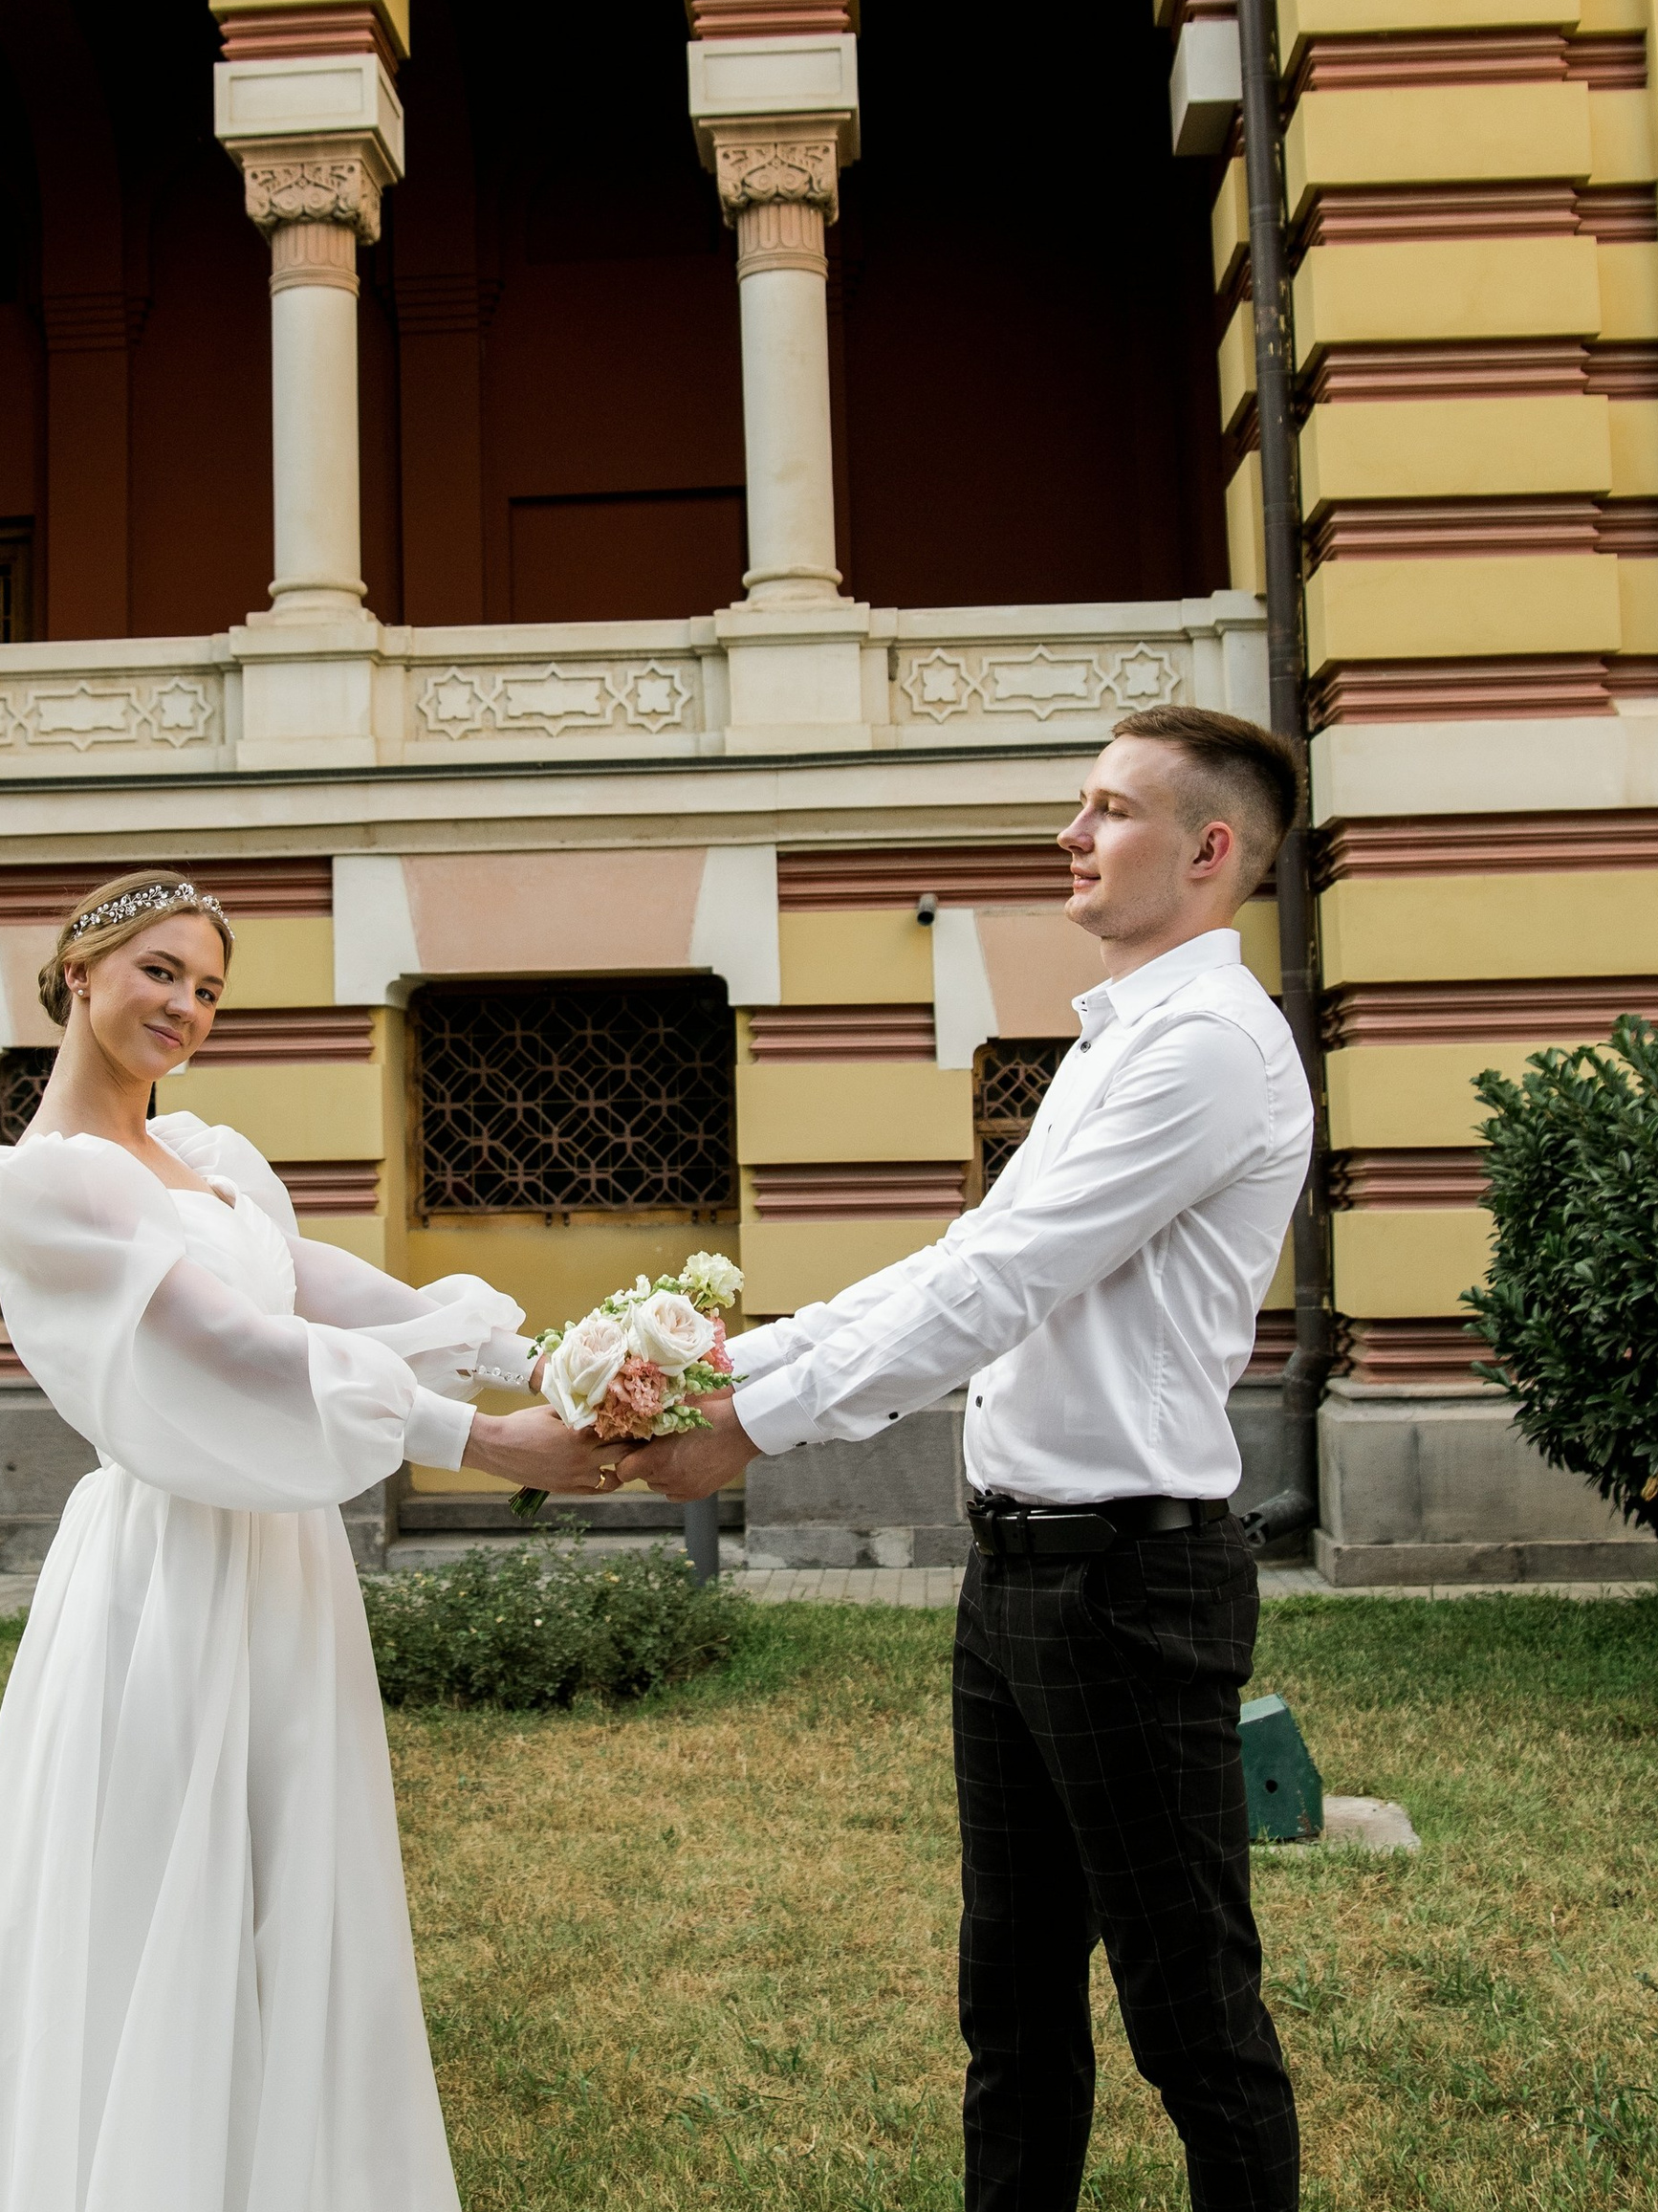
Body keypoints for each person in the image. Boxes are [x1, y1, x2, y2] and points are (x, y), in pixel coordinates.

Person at [634, 707, 1314, 2210]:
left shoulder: (1207, 1051)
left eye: (1110, 810)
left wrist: (750, 1430)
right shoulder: (1118, 1032)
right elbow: (970, 1256)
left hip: (1135, 1587)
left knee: (1190, 2015)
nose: (1071, 835)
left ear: (1209, 853)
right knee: (1010, 2008)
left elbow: (1003, 1288)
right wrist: (718, 1371)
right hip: (1016, 1585)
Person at [0, 869, 622, 2212]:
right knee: (164, 1877)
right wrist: (480, 1443)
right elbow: (229, 1343)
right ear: (80, 971)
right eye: (160, 973)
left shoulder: (211, 1161)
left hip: (283, 1563)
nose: (185, 1006)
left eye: (207, 988)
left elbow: (321, 1287)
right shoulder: (35, 1187)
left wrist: (544, 1360)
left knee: (293, 1876)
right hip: (168, 1569)